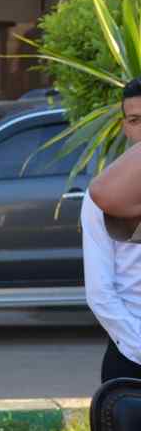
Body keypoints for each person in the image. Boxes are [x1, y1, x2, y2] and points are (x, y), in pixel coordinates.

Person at [82, 78, 141, 383]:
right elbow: (100, 290)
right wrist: (137, 346)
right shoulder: (101, 196)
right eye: (135, 120)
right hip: (130, 354)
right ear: (124, 126)